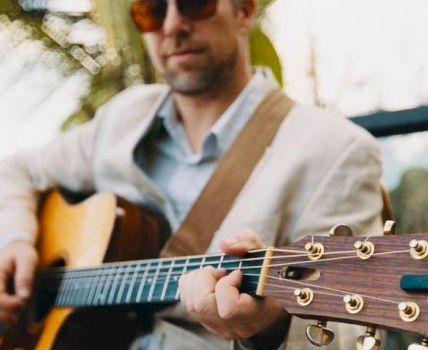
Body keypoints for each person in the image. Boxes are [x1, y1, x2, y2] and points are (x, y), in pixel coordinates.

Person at [0, 0, 383, 349]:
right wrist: (16, 240)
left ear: (244, 12)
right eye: (151, 10)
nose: (172, 25)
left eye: (194, 4)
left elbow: (350, 331)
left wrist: (270, 328)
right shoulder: (123, 116)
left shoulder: (335, 148)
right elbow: (15, 170)